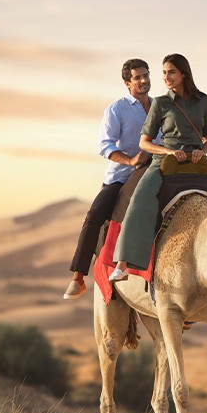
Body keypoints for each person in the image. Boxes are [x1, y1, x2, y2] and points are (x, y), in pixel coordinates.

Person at [109, 53, 207, 305]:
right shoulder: (160, 103)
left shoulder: (203, 101)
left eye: (171, 72)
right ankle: (122, 264)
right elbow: (144, 142)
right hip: (165, 161)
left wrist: (203, 150)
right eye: (164, 73)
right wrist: (168, 151)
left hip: (196, 162)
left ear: (184, 74)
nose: (165, 78)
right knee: (140, 199)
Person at [63, 59, 153, 300]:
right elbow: (105, 146)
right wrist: (131, 160)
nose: (144, 80)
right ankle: (78, 277)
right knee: (94, 215)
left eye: (146, 75)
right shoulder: (117, 109)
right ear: (127, 83)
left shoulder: (160, 107)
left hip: (155, 173)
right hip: (122, 177)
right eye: (137, 77)